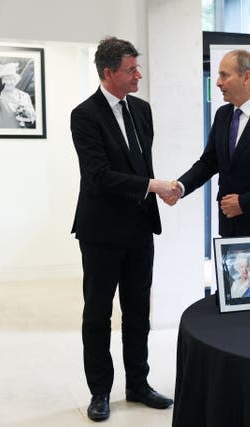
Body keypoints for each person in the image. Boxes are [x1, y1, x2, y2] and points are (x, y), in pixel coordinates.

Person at [70, 36, 178, 422]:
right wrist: (153, 186)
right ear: (108, 73)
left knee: (137, 313)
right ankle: (100, 391)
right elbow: (99, 176)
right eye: (131, 70)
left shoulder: (143, 111)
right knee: (98, 315)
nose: (139, 76)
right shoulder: (84, 116)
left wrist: (158, 193)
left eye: (138, 67)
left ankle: (138, 384)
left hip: (139, 228)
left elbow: (139, 166)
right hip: (100, 232)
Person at [166, 49, 250, 299]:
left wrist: (244, 202)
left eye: (224, 75)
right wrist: (180, 187)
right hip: (231, 229)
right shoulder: (223, 115)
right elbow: (208, 162)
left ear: (246, 77)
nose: (217, 82)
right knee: (233, 306)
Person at [0, 62, 36, 128]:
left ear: (16, 81)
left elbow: (32, 116)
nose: (8, 82)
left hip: (21, 134)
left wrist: (28, 117)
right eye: (5, 79)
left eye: (11, 79)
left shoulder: (25, 96)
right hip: (4, 134)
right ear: (1, 81)